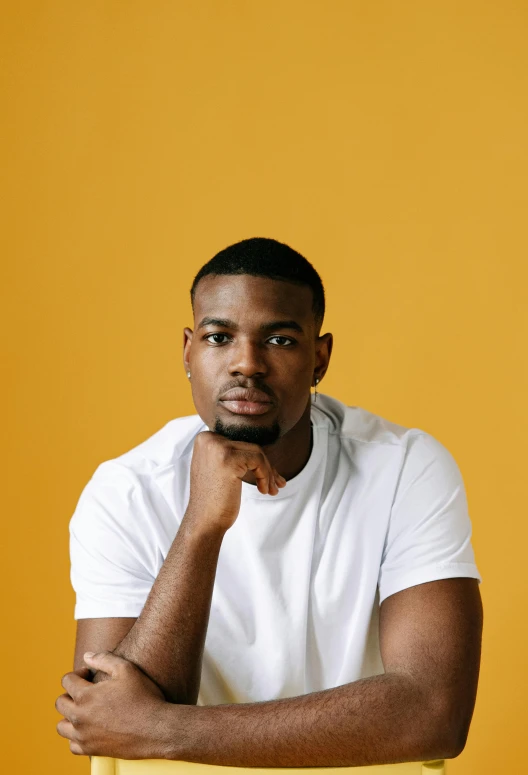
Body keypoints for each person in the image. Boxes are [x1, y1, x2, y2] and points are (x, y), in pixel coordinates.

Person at [55, 237, 483, 767]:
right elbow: (105, 722)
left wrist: (163, 728)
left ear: (320, 357)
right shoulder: (126, 488)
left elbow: (433, 713)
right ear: (188, 351)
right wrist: (201, 526)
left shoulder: (403, 467)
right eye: (219, 337)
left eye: (279, 340)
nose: (247, 364)